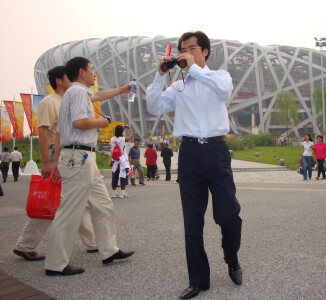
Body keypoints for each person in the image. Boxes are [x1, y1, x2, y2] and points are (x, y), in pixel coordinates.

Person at [147, 31, 242, 299]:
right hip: (189, 153)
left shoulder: (219, 77)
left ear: (205, 51)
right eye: (182, 50)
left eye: (191, 48)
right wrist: (160, 74)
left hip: (216, 150)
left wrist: (194, 69)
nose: (185, 53)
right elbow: (154, 107)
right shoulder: (178, 87)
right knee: (192, 221)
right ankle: (198, 279)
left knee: (229, 215)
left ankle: (231, 256)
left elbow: (224, 91)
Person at [44, 57, 134, 276]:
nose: (95, 74)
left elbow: (97, 95)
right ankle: (55, 264)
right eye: (92, 70)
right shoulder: (76, 93)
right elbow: (79, 122)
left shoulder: (78, 93)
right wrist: (102, 123)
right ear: (82, 72)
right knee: (69, 211)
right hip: (78, 157)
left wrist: (121, 90)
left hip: (83, 158)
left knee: (103, 204)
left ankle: (109, 250)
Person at [13, 66, 101, 262]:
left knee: (76, 199)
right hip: (58, 154)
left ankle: (93, 242)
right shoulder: (49, 102)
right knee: (54, 200)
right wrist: (46, 162)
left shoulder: (69, 99)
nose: (72, 80)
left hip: (71, 154)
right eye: (67, 78)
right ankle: (25, 244)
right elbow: (43, 132)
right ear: (59, 81)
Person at [109, 125, 133, 198]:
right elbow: (130, 137)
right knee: (123, 176)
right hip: (122, 160)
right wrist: (129, 129)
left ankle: (114, 192)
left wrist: (110, 160)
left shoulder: (112, 139)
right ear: (122, 131)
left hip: (115, 160)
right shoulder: (123, 139)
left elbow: (112, 150)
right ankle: (122, 193)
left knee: (114, 176)